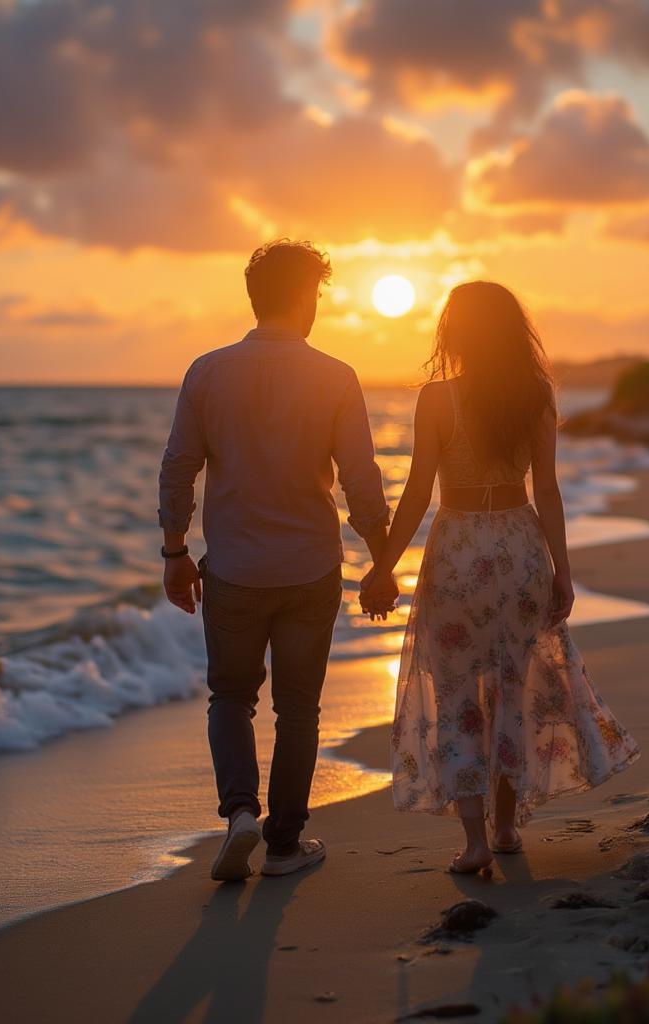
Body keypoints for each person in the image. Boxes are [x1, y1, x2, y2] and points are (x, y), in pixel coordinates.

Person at [360, 281, 640, 873]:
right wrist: (564, 568)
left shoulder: (437, 399)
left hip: (457, 549)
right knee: (514, 689)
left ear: (454, 333)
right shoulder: (535, 394)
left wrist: (382, 565)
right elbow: (548, 490)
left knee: (459, 694)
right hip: (518, 547)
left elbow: (416, 492)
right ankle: (507, 827)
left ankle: (474, 842)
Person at [159, 239, 395, 882]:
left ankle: (239, 812)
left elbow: (179, 468)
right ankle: (284, 844)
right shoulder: (335, 376)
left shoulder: (206, 371)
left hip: (232, 569)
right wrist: (383, 560)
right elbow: (361, 481)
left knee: (231, 698)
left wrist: (175, 551)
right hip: (309, 570)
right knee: (299, 709)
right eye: (317, 294)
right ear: (303, 297)